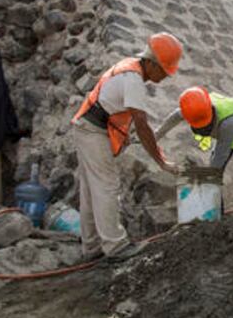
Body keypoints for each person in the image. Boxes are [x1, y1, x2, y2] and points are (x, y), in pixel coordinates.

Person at [71, 32, 182, 261]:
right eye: (163, 70)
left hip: (88, 127)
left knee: (92, 191)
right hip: (92, 131)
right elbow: (142, 125)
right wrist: (161, 161)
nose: (164, 77)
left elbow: (118, 112)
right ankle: (115, 246)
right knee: (107, 186)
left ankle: (91, 248)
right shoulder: (133, 79)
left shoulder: (130, 69)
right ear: (151, 63)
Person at [157, 86, 233, 216]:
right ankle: (218, 214)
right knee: (214, 173)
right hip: (225, 132)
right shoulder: (193, 109)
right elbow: (172, 119)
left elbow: (220, 156)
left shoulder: (228, 123)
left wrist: (207, 182)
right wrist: (155, 136)